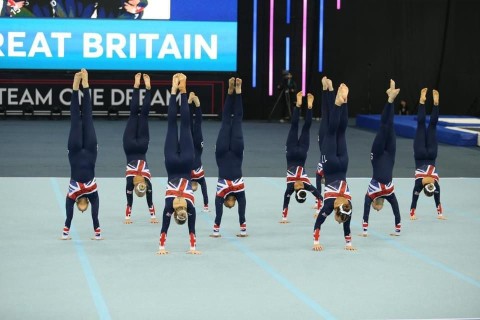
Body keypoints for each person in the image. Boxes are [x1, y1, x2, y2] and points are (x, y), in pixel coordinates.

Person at [157, 73, 200, 255]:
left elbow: (164, 229)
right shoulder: (190, 209)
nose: (181, 209)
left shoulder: (169, 207)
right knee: (184, 126)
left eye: (179, 213)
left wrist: (162, 247)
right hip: (186, 162)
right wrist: (192, 248)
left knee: (172, 126)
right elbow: (192, 230)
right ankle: (181, 91)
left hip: (173, 164)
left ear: (174, 213)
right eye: (184, 213)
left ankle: (175, 90)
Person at [312, 77, 356, 251]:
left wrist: (349, 243)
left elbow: (347, 226)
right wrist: (316, 242)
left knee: (341, 132)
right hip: (329, 165)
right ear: (337, 212)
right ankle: (337, 102)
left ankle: (343, 102)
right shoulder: (330, 206)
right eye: (338, 220)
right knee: (331, 130)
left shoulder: (348, 206)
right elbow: (318, 222)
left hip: (343, 164)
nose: (338, 223)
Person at [61, 69, 102, 240]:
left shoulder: (72, 194)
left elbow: (69, 215)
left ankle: (75, 87)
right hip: (91, 151)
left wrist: (65, 233)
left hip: (75, 151)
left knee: (76, 120)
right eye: (86, 206)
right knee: (88, 118)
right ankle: (85, 85)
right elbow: (95, 214)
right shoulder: (92, 192)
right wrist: (97, 233)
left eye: (82, 207)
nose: (85, 207)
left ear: (79, 203)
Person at [361, 80, 402, 237]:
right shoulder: (389, 194)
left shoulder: (371, 194)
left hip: (378, 155)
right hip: (389, 155)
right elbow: (396, 210)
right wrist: (397, 230)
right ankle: (390, 97)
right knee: (389, 126)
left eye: (376, 209)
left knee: (385, 126)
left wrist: (365, 231)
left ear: (374, 204)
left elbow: (366, 210)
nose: (378, 211)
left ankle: (390, 99)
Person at [210, 77, 247, 238]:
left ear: (225, 202)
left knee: (226, 121)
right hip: (237, 152)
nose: (232, 204)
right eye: (233, 204)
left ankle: (230, 91)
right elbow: (242, 209)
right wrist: (243, 229)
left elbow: (218, 211)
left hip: (223, 152)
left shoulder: (221, 191)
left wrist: (216, 231)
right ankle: (237, 91)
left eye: (229, 204)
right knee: (237, 121)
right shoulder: (240, 192)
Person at [280, 91, 322, 223]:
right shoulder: (307, 186)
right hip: (302, 153)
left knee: (294, 126)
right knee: (306, 128)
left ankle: (298, 105)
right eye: (301, 189)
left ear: (295, 192)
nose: (299, 186)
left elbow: (286, 202)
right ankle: (309, 106)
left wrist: (284, 217)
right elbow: (320, 196)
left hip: (291, 152)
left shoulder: (289, 188)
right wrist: (318, 211)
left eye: (297, 189)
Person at [122, 73, 157, 224]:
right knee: (143, 116)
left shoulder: (130, 182)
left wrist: (128, 217)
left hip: (129, 146)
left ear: (136, 186)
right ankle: (148, 88)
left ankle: (136, 85)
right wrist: (153, 216)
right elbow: (150, 199)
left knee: (133, 114)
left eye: (139, 185)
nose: (141, 182)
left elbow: (129, 200)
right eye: (143, 184)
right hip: (142, 147)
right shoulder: (147, 183)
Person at [409, 88, 444, 220]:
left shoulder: (436, 185)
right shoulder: (418, 185)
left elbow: (438, 200)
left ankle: (435, 104)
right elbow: (414, 201)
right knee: (421, 124)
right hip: (419, 154)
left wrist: (440, 213)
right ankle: (422, 102)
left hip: (432, 155)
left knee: (432, 126)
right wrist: (412, 213)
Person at [188, 92, 210, 212]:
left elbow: (204, 190)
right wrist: (205, 206)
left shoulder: (190, 177)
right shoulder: (197, 177)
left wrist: (206, 205)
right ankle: (195, 105)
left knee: (192, 125)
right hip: (195, 147)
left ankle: (192, 104)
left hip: (193, 148)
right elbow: (204, 190)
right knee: (194, 125)